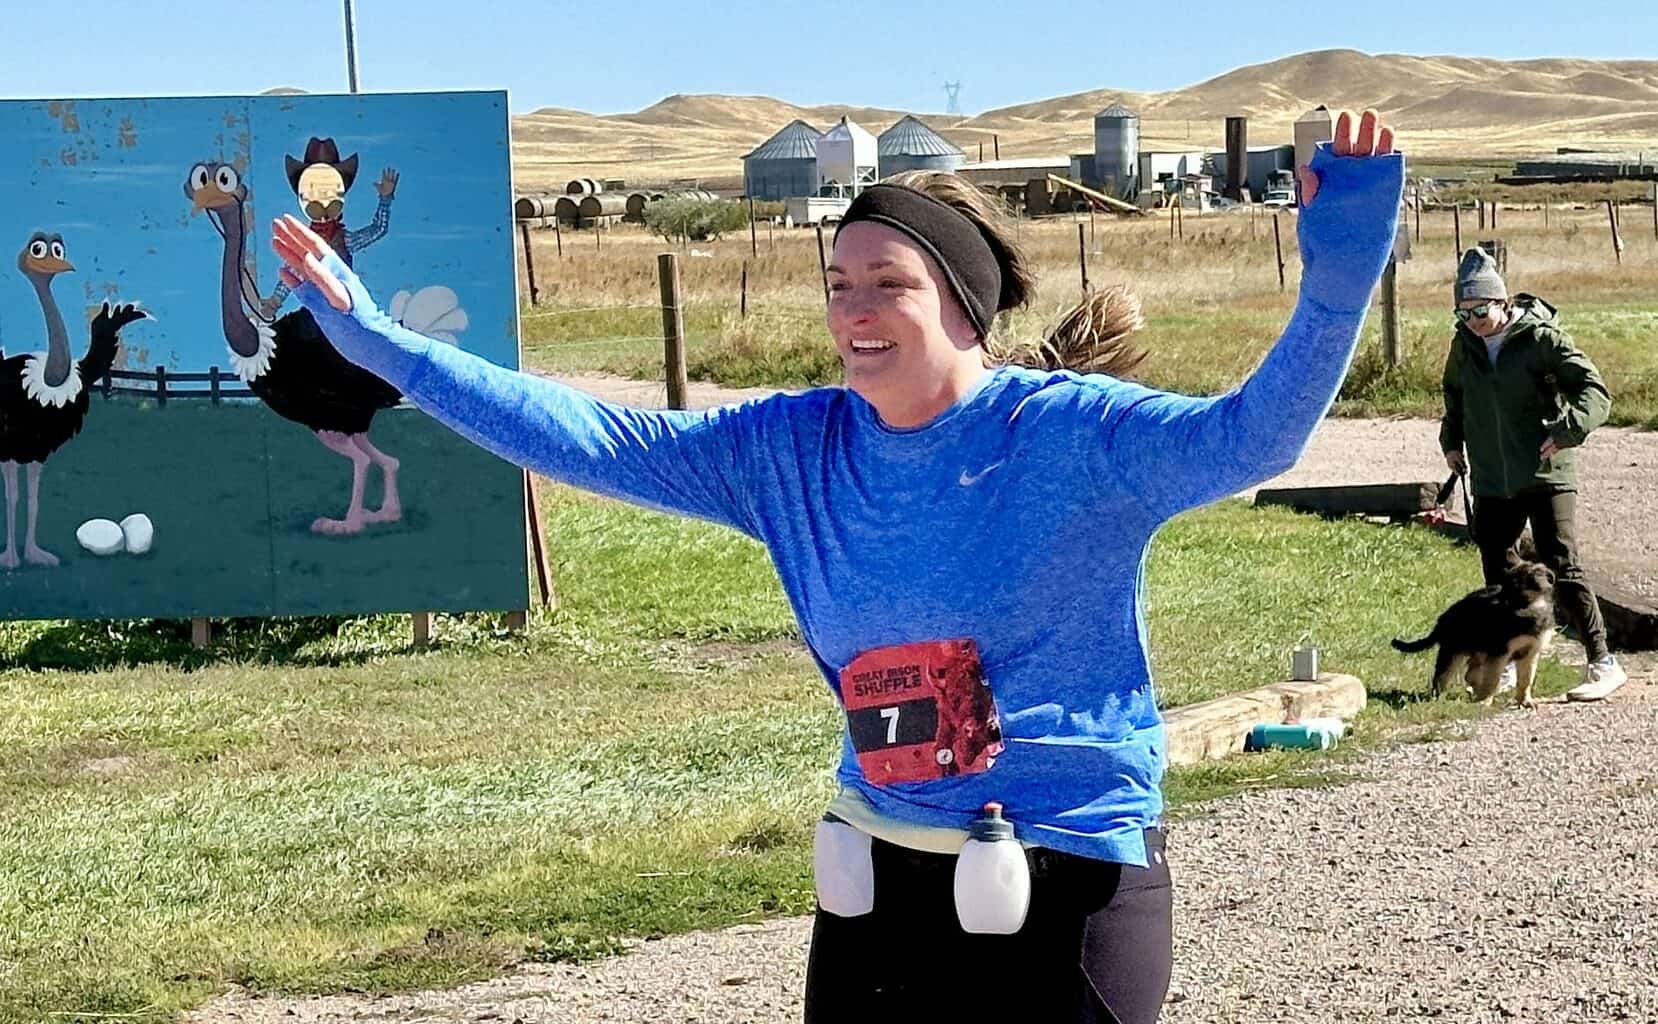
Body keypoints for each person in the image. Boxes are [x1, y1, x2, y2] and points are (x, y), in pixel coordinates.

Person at [270, 109, 1403, 1023]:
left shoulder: (1070, 436)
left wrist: (1336, 284)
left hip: (1062, 879)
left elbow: (1253, 440)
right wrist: (385, 349)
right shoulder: (789, 451)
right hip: (879, 880)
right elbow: (589, 436)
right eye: (837, 283)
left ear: (962, 303)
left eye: (888, 283)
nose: (854, 310)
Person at [1441, 246, 1625, 702]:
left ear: (1502, 302)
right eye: (1463, 312)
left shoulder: (1543, 339)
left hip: (1546, 472)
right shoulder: (1464, 345)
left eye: (1480, 310)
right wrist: (1451, 442)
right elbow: (1455, 396)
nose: (1473, 321)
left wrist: (1566, 431)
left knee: (1561, 563)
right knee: (1498, 571)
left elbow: (1595, 392)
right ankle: (1503, 662)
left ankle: (1602, 661)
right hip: (1491, 477)